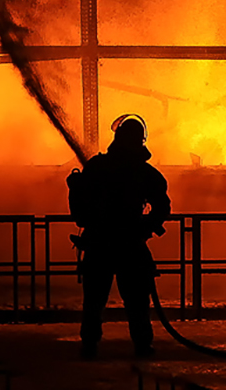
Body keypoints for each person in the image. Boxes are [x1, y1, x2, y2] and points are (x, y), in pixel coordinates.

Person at [75, 114, 171, 359]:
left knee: (94, 301)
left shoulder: (97, 167)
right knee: (138, 302)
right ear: (141, 140)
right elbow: (163, 207)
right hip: (131, 244)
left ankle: (90, 345)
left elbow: (79, 210)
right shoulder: (146, 173)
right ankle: (141, 345)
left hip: (99, 243)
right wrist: (146, 227)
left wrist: (75, 188)